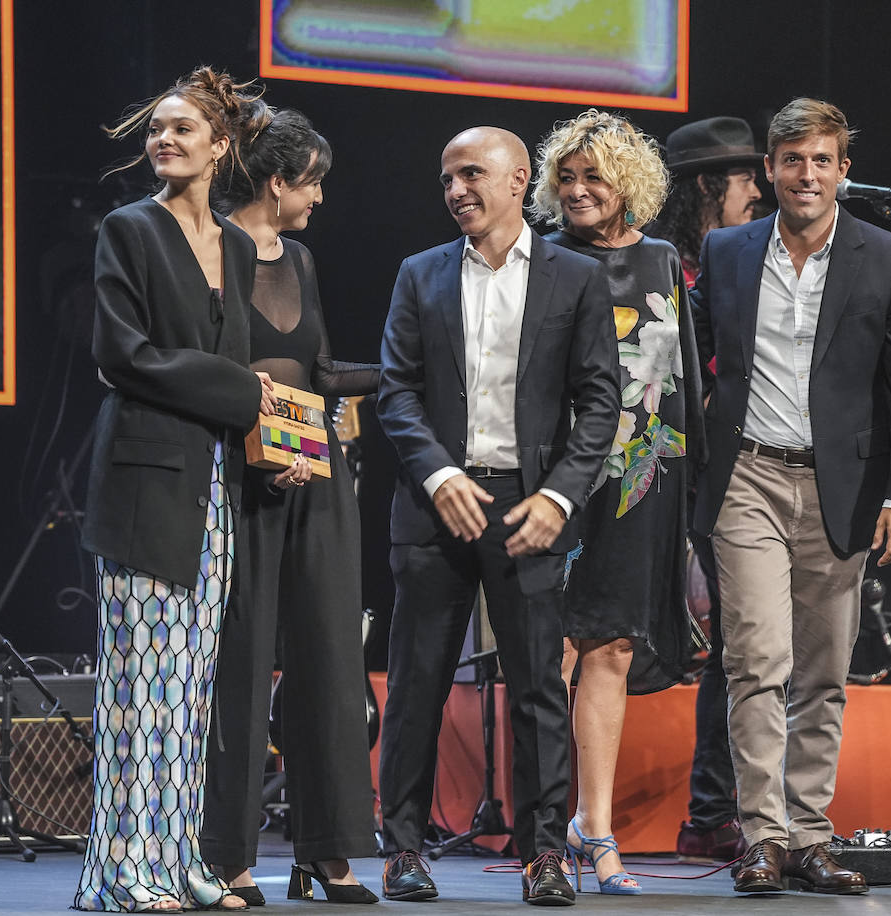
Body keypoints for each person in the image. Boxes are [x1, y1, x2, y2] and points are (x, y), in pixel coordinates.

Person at [689, 98, 891, 895]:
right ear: (769, 169)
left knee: (823, 671)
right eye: (791, 160)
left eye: (821, 160)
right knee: (757, 657)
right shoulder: (725, 251)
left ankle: (808, 835)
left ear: (843, 171)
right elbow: (686, 362)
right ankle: (761, 835)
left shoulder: (890, 258)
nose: (806, 175)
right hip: (748, 477)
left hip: (844, 488)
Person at [375, 126, 618, 906]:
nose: (456, 191)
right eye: (447, 179)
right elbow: (396, 391)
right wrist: (437, 471)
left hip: (529, 503)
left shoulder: (575, 278)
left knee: (540, 686)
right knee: (418, 681)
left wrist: (557, 496)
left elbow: (600, 401)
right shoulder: (421, 274)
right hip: (436, 498)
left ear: (519, 181)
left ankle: (545, 854)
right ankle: (404, 849)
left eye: (472, 174)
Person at [74, 67, 277, 913]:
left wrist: (275, 432)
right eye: (157, 128)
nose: (164, 140)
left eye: (183, 128)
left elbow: (238, 363)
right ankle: (128, 872)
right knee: (142, 691)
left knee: (191, 695)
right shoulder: (130, 229)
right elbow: (123, 355)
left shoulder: (234, 244)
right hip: (147, 481)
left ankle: (179, 859)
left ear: (220, 145)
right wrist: (245, 397)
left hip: (216, 482)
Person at [200, 107, 381, 906]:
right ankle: (228, 856)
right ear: (277, 182)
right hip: (241, 485)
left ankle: (327, 853)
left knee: (332, 663)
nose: (320, 199)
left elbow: (316, 369)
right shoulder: (210, 250)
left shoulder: (300, 259)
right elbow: (211, 370)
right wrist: (264, 450)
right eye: (313, 183)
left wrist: (401, 369)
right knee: (240, 670)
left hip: (319, 484)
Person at [527, 109, 700, 895]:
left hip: (643, 480)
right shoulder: (539, 260)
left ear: (628, 184)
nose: (577, 189)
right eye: (566, 176)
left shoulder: (663, 260)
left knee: (613, 649)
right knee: (552, 650)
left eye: (593, 175)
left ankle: (594, 831)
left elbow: (683, 386)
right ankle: (544, 827)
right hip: (560, 479)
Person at [650, 116, 763, 864]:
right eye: (746, 177)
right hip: (654, 470)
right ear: (705, 188)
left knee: (739, 642)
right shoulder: (655, 267)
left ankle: (712, 811)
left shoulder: (745, 264)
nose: (759, 190)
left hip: (725, 473)